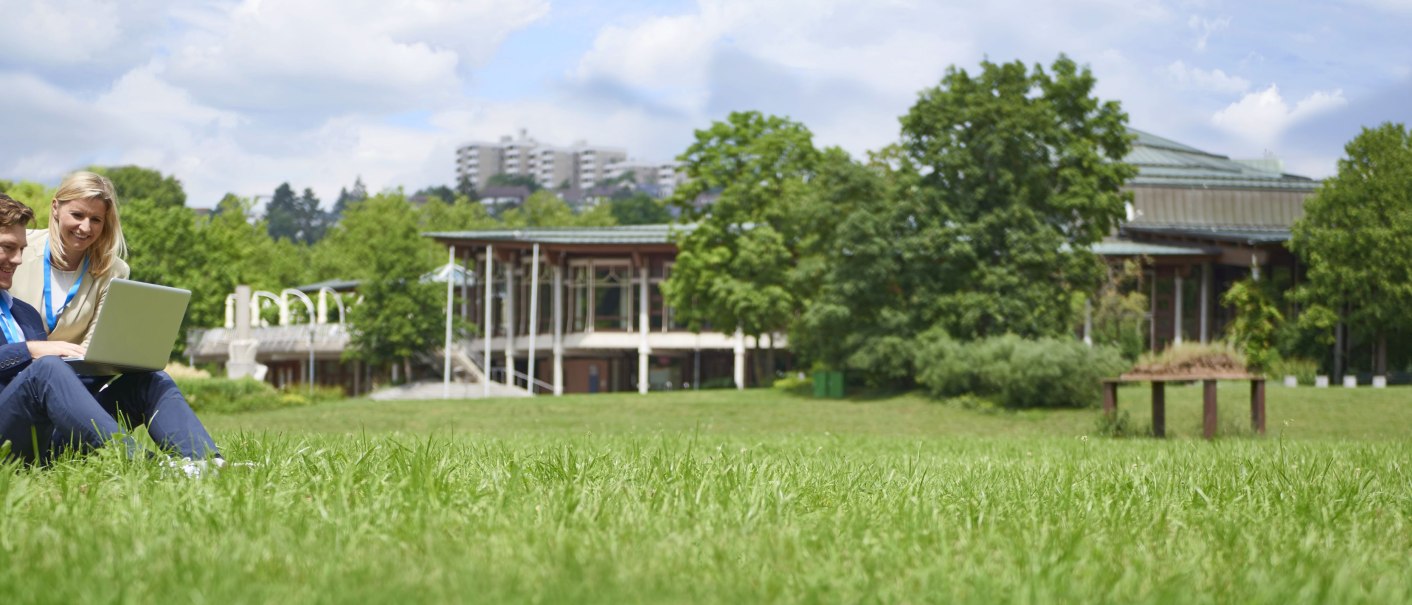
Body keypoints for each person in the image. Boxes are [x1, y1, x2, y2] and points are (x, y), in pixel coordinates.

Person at [6, 174, 220, 463]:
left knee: (151, 379)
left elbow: (91, 354)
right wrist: (34, 350)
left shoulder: (26, 312)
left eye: (96, 219)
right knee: (47, 368)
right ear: (55, 208)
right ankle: (150, 465)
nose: (85, 227)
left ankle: (206, 462)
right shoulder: (20, 245)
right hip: (18, 408)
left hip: (54, 408)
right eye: (78, 214)